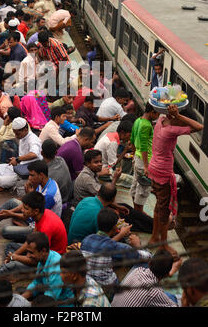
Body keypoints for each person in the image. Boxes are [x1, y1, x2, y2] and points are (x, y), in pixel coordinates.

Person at [148, 104, 204, 252]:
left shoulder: (160, 121)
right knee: (164, 211)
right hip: (163, 173)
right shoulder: (171, 131)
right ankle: (163, 244)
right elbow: (199, 127)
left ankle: (154, 237)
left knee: (159, 206)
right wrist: (179, 116)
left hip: (154, 169)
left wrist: (174, 115)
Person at [81, 208, 151, 292]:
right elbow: (147, 256)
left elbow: (103, 245)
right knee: (144, 263)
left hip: (88, 284)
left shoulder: (86, 240)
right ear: (115, 228)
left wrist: (121, 234)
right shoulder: (116, 247)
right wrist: (137, 245)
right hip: (109, 290)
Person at [0, 117, 42, 194]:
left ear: (25, 130)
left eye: (17, 133)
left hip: (26, 171)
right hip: (19, 166)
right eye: (14, 133)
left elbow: (34, 154)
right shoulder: (23, 137)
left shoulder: (33, 139)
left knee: (1, 181)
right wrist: (16, 159)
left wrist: (18, 159)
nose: (16, 135)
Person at [111, 250, 178, 307]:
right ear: (166, 275)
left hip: (113, 304)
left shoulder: (137, 270)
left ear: (149, 263)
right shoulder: (155, 293)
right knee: (172, 297)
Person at [21, 232, 73, 304]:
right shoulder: (42, 259)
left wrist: (24, 304)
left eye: (31, 252)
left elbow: (49, 300)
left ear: (43, 251)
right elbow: (36, 283)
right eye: (27, 252)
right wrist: (21, 298)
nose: (27, 256)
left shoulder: (56, 268)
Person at [130, 103, 159, 213]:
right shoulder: (146, 125)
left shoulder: (138, 120)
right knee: (143, 190)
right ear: (152, 112)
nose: (158, 116)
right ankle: (139, 213)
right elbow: (143, 147)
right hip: (144, 161)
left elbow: (132, 140)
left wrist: (133, 155)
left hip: (137, 158)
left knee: (135, 185)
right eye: (158, 114)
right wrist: (146, 166)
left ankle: (136, 210)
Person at [41, 139, 73, 204]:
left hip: (59, 202)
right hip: (68, 197)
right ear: (56, 152)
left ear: (41, 153)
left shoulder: (46, 175)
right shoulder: (61, 160)